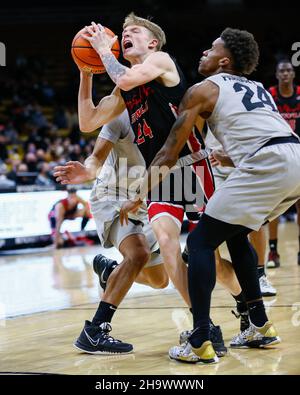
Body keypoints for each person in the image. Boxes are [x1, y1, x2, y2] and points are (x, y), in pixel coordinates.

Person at [120, 28, 300, 364]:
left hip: (267, 163)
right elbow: (262, 133)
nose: (204, 51)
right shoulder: (259, 87)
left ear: (225, 60)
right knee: (236, 236)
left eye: (212, 48)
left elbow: (168, 154)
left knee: (200, 244)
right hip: (293, 159)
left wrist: (138, 194)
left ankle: (200, 338)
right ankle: (259, 325)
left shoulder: (203, 89)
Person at [78, 14, 242, 353]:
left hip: (191, 164)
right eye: (122, 33)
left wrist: (100, 51)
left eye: (134, 31)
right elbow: (87, 120)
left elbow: (125, 78)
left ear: (152, 42)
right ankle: (205, 327)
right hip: (162, 173)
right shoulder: (126, 89)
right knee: (168, 246)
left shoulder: (160, 60)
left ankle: (248, 305)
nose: (125, 35)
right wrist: (86, 70)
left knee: (209, 257)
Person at [206, 130, 277, 297]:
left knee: (256, 221)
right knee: (210, 214)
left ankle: (259, 275)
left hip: (243, 160)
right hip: (212, 162)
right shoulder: (200, 104)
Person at [267, 60, 300, 267]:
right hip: (277, 153)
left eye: (289, 70)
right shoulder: (269, 94)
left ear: (293, 74)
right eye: (282, 70)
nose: (286, 73)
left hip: (298, 151)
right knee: (274, 207)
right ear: (277, 75)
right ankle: (273, 252)